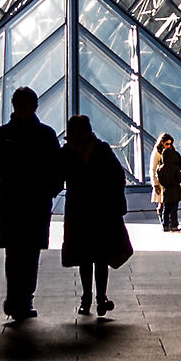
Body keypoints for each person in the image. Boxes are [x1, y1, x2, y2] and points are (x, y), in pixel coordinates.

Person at [0, 85, 63, 320]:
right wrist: (49, 191)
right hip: (35, 204)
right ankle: (22, 299)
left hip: (11, 202)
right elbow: (58, 171)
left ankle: (16, 299)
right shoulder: (46, 134)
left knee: (15, 255)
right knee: (28, 254)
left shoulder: (1, 134)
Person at [58, 114, 132, 318]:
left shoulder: (67, 152)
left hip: (82, 209)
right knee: (96, 256)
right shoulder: (100, 149)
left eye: (80, 129)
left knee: (91, 257)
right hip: (99, 209)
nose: (78, 133)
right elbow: (118, 176)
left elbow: (56, 178)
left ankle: (90, 298)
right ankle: (97, 298)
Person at [153, 133, 181, 232]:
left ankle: (165, 225)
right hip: (173, 188)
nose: (169, 146)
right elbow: (152, 168)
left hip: (165, 189)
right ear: (161, 143)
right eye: (167, 144)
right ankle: (173, 225)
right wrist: (155, 184)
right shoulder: (158, 153)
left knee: (165, 208)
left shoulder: (161, 169)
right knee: (171, 208)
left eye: (170, 144)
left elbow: (157, 173)